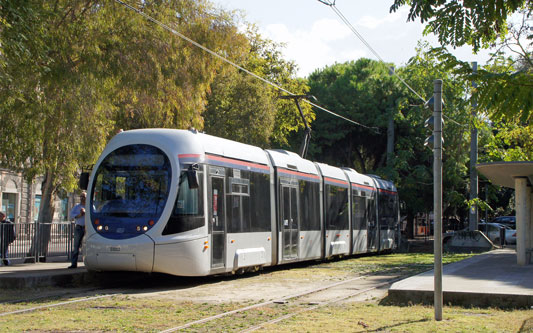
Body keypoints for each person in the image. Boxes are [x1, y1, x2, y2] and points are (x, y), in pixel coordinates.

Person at [69, 192, 86, 269]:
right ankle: (74, 263)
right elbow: (71, 215)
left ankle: (86, 263)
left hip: (87, 229)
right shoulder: (77, 207)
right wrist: (80, 214)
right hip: (79, 228)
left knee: (87, 247)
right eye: (81, 196)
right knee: (76, 247)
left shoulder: (90, 206)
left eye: (84, 196)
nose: (82, 198)